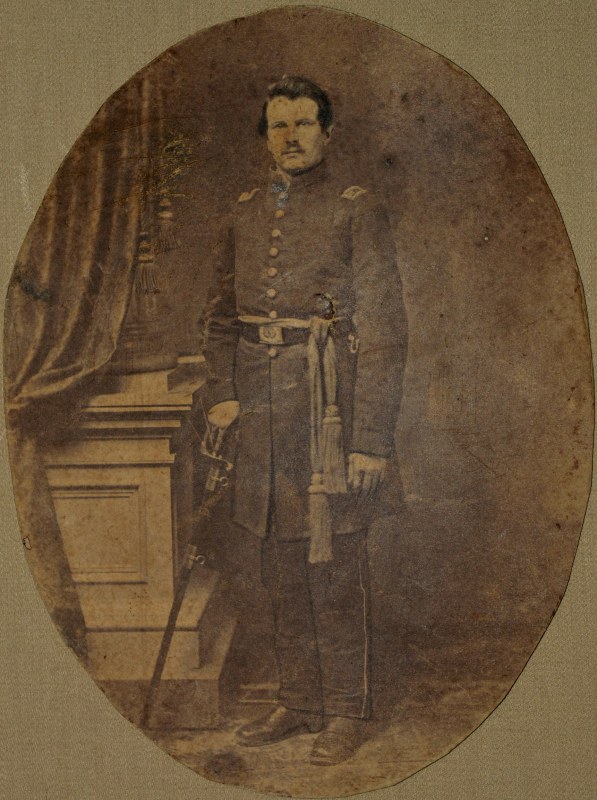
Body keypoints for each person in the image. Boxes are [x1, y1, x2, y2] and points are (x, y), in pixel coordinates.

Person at [200, 75, 407, 766]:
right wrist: (223, 394)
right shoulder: (242, 211)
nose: (291, 137)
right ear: (265, 136)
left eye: (304, 123)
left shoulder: (356, 210)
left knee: (334, 564)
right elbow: (219, 320)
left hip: (327, 413)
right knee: (280, 565)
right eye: (278, 126)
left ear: (327, 131)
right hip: (260, 415)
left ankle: (345, 709)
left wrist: (370, 441)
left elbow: (385, 330)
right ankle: (299, 700)